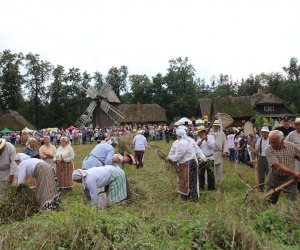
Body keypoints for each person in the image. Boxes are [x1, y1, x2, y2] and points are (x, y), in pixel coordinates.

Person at [265, 130, 300, 204]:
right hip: (274, 178)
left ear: (282, 140)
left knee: (292, 202)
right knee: (269, 201)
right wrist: (294, 173)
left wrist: (294, 174)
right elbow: (277, 166)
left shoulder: (292, 147)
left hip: (290, 178)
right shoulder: (268, 149)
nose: (272, 144)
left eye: (274, 142)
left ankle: (289, 214)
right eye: (270, 142)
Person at [165, 128, 199, 199]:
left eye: (176, 135)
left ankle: (187, 197)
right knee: (191, 181)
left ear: (178, 135)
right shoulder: (187, 141)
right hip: (191, 162)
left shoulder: (182, 143)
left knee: (187, 181)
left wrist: (169, 158)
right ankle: (192, 197)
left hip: (188, 164)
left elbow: (178, 156)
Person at [197, 126, 216, 191]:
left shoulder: (211, 137)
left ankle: (211, 189)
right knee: (200, 174)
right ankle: (201, 188)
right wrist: (198, 145)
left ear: (202, 132)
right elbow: (197, 149)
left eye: (199, 132)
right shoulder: (198, 139)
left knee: (210, 174)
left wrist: (207, 139)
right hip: (201, 159)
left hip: (210, 158)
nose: (198, 133)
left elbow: (213, 146)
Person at [209, 120, 227, 188]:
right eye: (215, 126)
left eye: (217, 126)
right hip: (211, 153)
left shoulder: (222, 133)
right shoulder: (209, 133)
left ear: (219, 127)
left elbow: (225, 142)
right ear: (212, 126)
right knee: (210, 168)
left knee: (219, 169)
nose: (216, 127)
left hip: (219, 153)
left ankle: (219, 181)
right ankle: (209, 181)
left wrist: (225, 151)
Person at [285, 117, 300, 191]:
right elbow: (285, 143)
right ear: (295, 125)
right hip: (296, 158)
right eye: (297, 125)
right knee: (296, 173)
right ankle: (295, 189)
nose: (299, 126)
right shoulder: (292, 134)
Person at [254, 126, 270, 192]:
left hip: (269, 158)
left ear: (268, 133)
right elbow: (256, 150)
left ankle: (269, 188)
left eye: (265, 132)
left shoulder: (271, 140)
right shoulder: (259, 140)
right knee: (261, 175)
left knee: (269, 174)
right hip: (261, 157)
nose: (263, 134)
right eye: (262, 132)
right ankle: (260, 188)